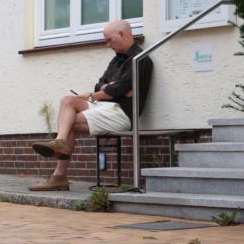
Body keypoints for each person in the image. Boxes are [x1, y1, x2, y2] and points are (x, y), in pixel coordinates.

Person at [29, 19, 153, 191]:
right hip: (105, 107)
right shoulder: (116, 60)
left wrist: (103, 92)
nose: (107, 45)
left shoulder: (140, 60)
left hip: (122, 113)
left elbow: (114, 90)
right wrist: (109, 88)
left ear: (122, 34)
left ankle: (59, 176)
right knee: (67, 100)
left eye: (109, 40)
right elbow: (101, 85)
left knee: (69, 121)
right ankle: (60, 142)